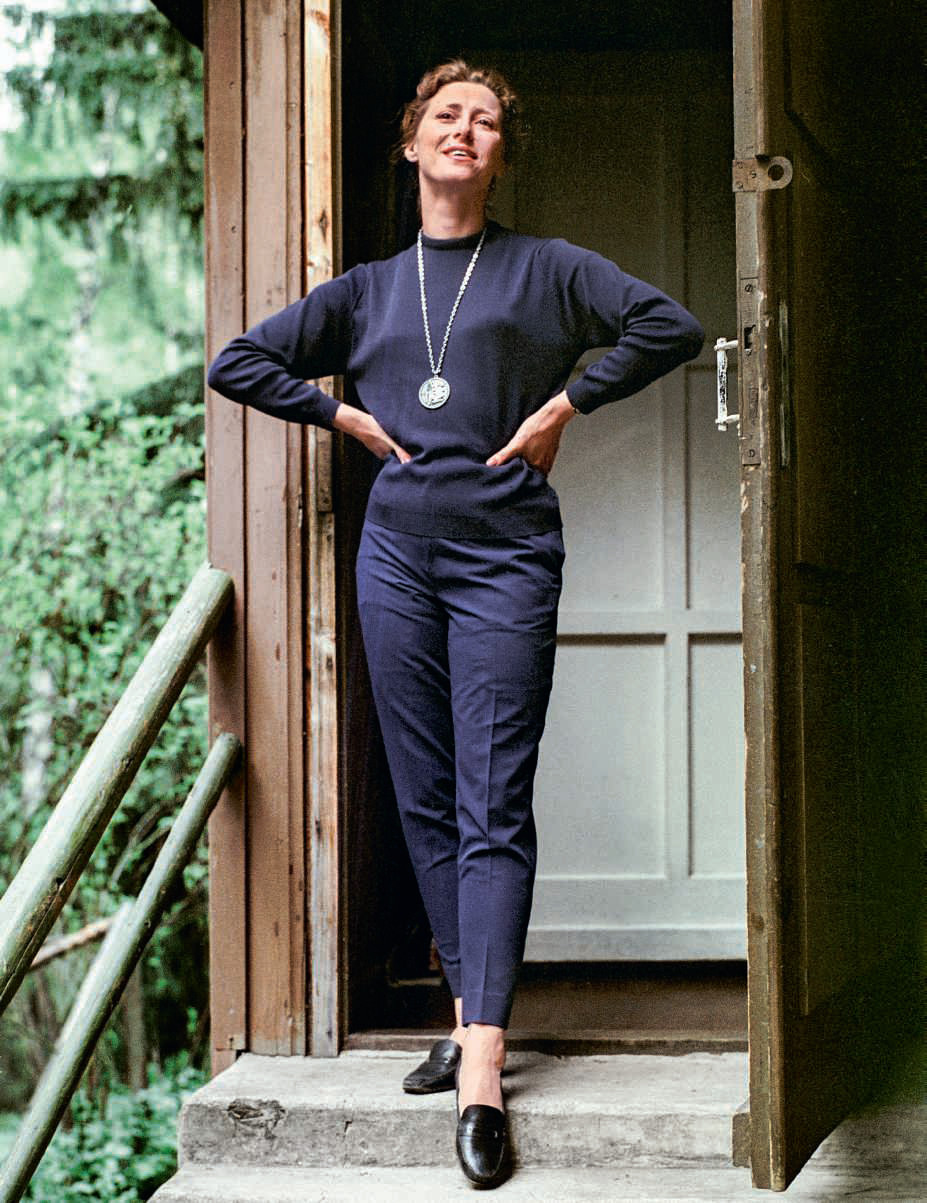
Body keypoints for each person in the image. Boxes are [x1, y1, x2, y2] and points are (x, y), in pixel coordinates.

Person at [207, 59, 704, 1189]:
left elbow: (668, 324)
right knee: (425, 795)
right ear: (411, 142)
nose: (464, 131)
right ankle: (470, 1010)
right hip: (395, 558)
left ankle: (482, 1064)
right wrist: (341, 417)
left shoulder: (546, 269)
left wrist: (566, 403)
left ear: (498, 155)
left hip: (505, 558)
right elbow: (239, 362)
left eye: (484, 122)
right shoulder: (368, 291)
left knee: (491, 796)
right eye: (446, 116)